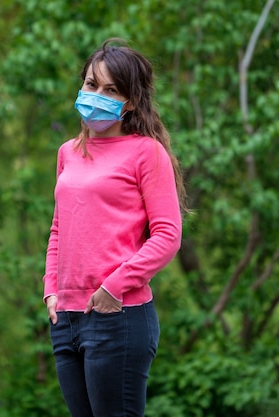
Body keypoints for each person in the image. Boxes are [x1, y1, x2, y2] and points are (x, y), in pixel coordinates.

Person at [42, 38, 187, 417]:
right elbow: (59, 229)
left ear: (131, 101)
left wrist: (113, 286)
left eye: (111, 90)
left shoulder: (146, 152)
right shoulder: (67, 152)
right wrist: (51, 292)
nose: (96, 95)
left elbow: (168, 235)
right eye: (92, 84)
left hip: (117, 317)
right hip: (66, 319)